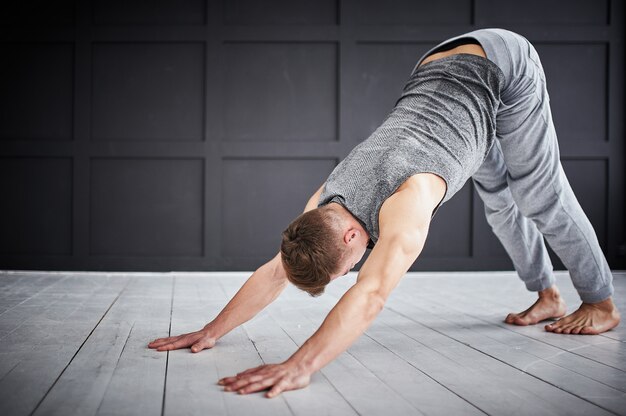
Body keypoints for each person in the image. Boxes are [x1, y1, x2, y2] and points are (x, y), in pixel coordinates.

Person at [148, 28, 620, 398]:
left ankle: (601, 303)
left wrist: (301, 365)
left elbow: (371, 294)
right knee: (499, 202)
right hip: (436, 67)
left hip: (503, 67)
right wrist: (212, 331)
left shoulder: (408, 200)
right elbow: (275, 272)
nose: (347, 275)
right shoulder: (322, 207)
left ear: (352, 241)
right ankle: (547, 296)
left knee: (538, 195)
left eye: (342, 272)